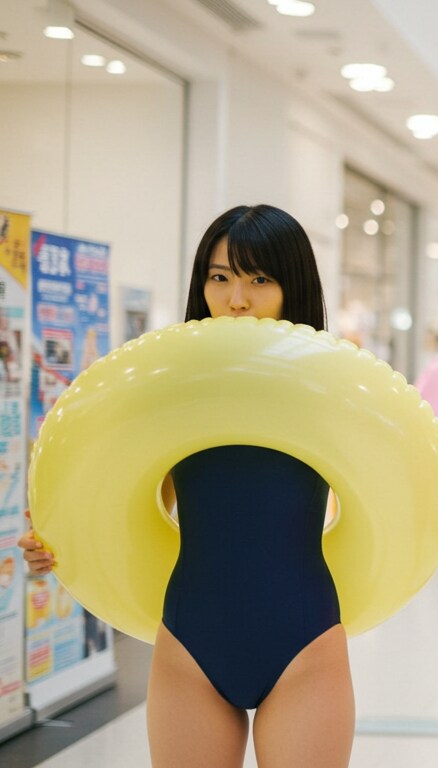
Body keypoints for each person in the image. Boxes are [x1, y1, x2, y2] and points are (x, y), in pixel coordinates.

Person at [21, 204, 352, 767]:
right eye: (220, 277)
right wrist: (59, 540)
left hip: (305, 642)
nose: (236, 299)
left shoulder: (334, 387)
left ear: (292, 285)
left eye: (259, 279)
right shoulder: (172, 389)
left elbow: (388, 499)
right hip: (191, 642)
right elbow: (126, 504)